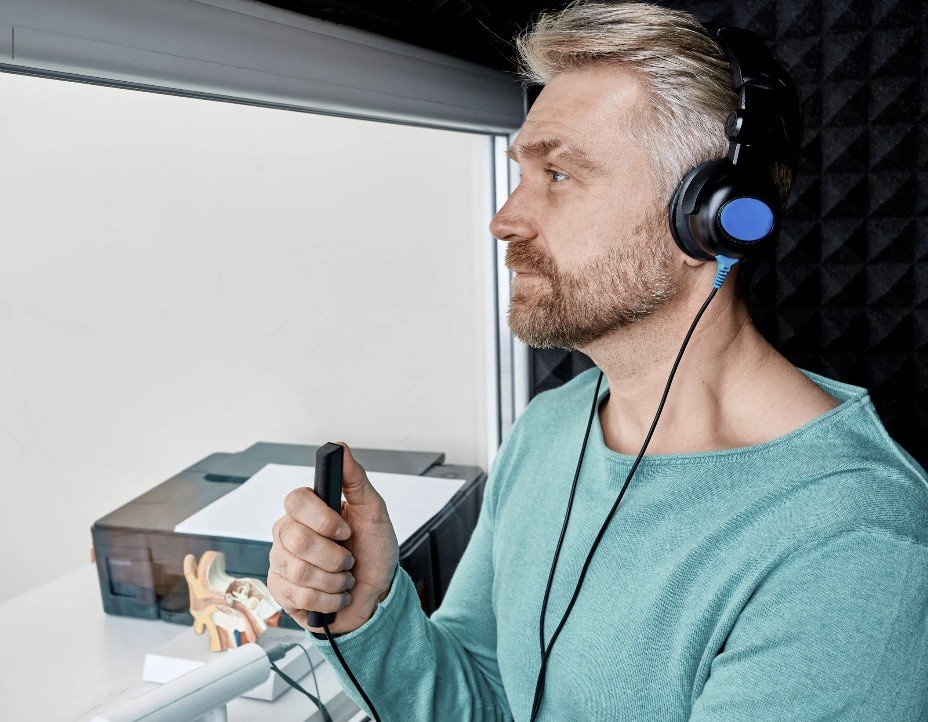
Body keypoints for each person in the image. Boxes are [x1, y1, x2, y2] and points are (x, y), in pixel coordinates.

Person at [267, 2, 928, 719]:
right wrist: (371, 614)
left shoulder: (851, 540)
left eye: (558, 175)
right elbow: (488, 697)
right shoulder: (548, 430)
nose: (504, 218)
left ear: (709, 215)